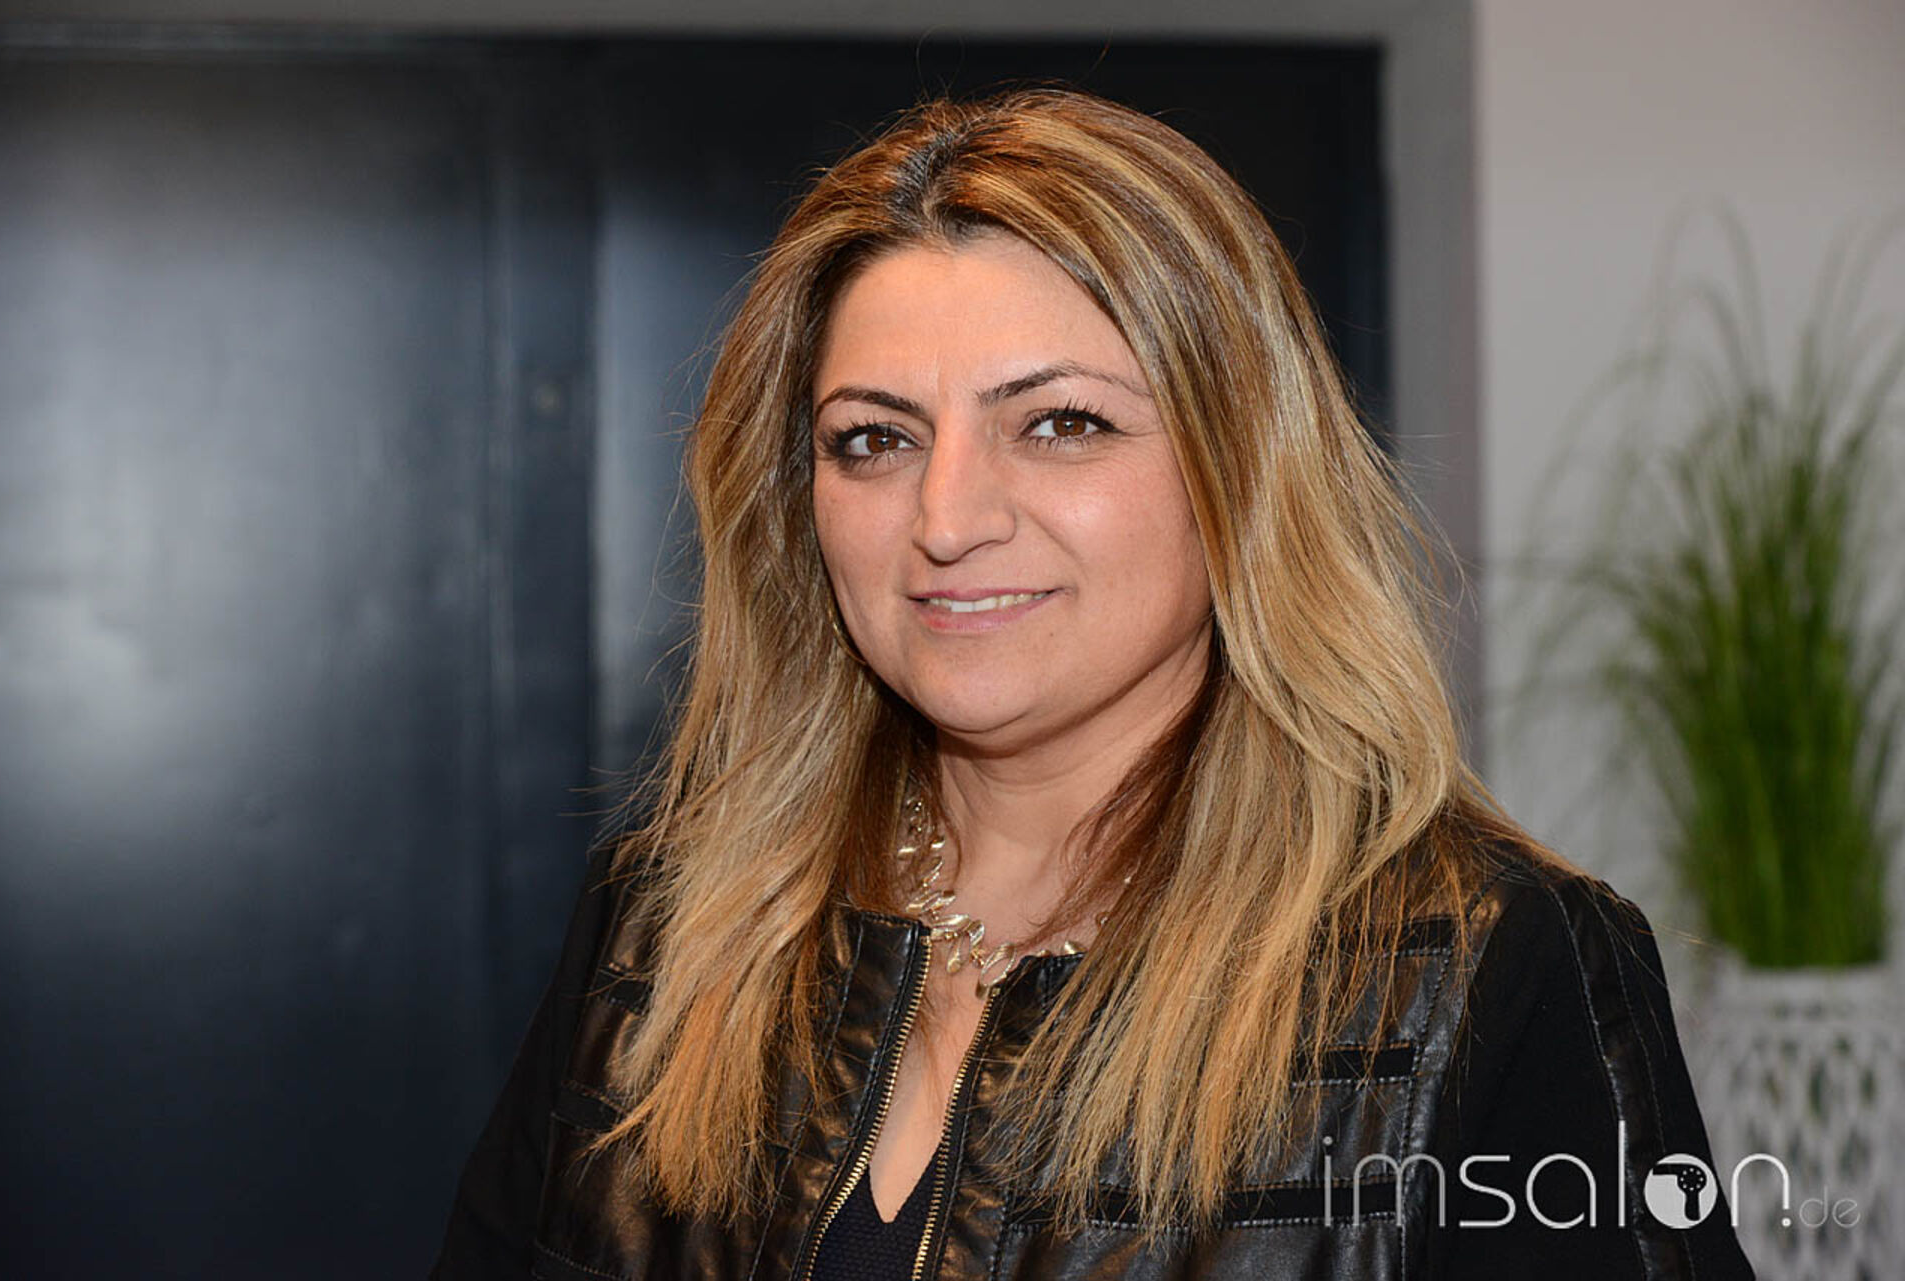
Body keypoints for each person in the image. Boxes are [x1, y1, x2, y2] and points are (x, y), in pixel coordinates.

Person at [432, 86, 1754, 1280]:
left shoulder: (1490, 970)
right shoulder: (663, 932)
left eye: (1062, 423)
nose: (948, 518)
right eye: (874, 439)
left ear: (1241, 469)